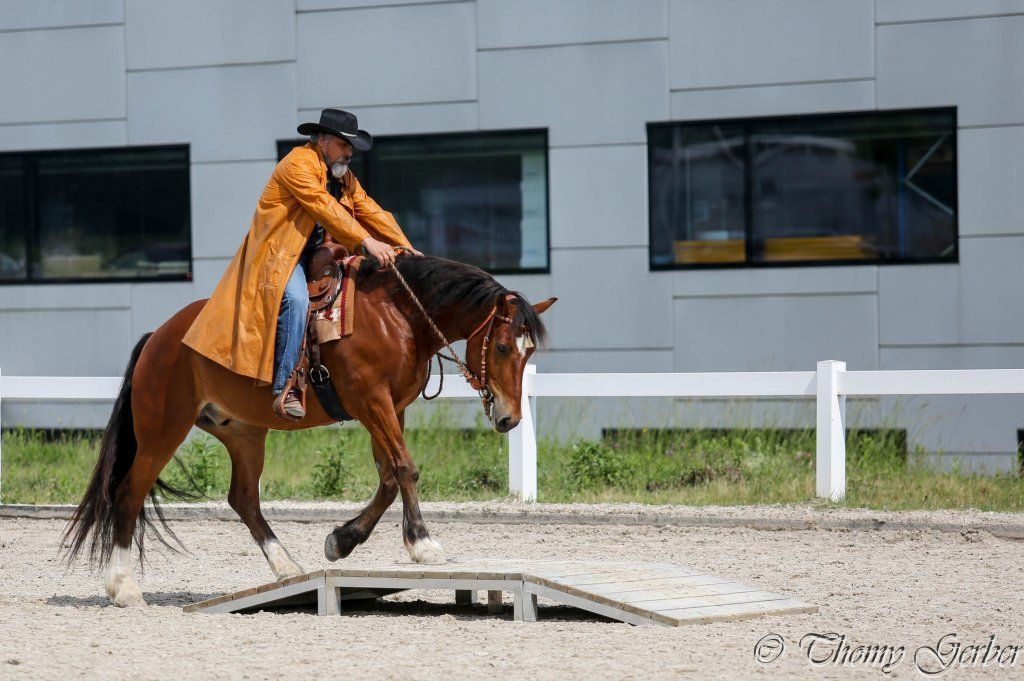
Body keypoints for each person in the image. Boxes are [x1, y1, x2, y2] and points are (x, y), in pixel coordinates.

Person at [181, 109, 421, 421]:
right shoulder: (297, 164)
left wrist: (406, 247)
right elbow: (325, 209)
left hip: (318, 254)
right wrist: (367, 242)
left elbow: (370, 209)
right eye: (344, 144)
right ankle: (287, 386)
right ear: (323, 140)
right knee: (295, 299)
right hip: (280, 256)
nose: (349, 152)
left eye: (351, 146)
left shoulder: (342, 176)